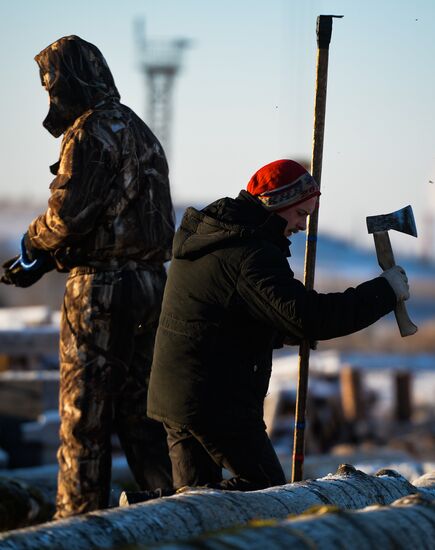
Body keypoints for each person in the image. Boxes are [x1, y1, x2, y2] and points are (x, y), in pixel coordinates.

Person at [147, 159, 409, 491]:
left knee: (193, 502)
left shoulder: (216, 235)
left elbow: (231, 313)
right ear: (278, 204)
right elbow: (309, 316)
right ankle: (143, 508)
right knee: (266, 491)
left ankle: (141, 513)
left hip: (180, 393)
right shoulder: (249, 252)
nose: (302, 225)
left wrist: (282, 331)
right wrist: (384, 292)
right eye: (301, 214)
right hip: (215, 401)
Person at [1, 35, 175, 518]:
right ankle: (173, 515)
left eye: (52, 86)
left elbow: (68, 215)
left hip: (100, 290)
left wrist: (33, 244)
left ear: (70, 81)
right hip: (151, 286)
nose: (50, 98)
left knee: (84, 417)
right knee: (145, 417)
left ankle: (78, 528)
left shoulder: (91, 132)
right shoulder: (140, 131)